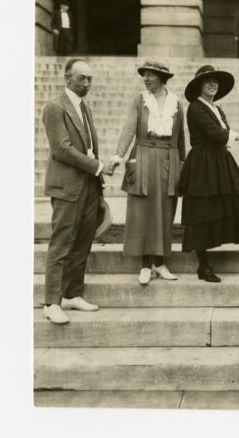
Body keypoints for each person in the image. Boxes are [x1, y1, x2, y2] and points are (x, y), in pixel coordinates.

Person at [109, 60, 185, 285]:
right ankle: (144, 265)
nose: (146, 78)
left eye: (151, 75)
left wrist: (183, 163)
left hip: (168, 159)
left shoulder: (176, 103)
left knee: (165, 210)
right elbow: (129, 129)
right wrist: (118, 155)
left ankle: (160, 263)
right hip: (142, 157)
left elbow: (181, 137)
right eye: (144, 75)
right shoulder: (139, 100)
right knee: (142, 211)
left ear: (162, 78)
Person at [42, 58, 106, 324]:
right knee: (61, 243)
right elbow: (62, 149)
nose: (87, 83)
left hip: (88, 187)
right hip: (67, 187)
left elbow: (88, 146)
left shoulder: (84, 108)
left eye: (90, 79)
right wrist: (98, 166)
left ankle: (72, 293)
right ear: (67, 79)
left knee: (83, 241)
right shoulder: (55, 107)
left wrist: (98, 182)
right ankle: (51, 302)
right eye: (82, 78)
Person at [179, 65, 239, 283]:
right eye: (208, 81)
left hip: (221, 161)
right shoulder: (194, 108)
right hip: (203, 164)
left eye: (215, 81)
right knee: (203, 211)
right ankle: (203, 266)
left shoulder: (217, 109)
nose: (213, 84)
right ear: (199, 86)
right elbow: (218, 134)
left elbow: (223, 134)